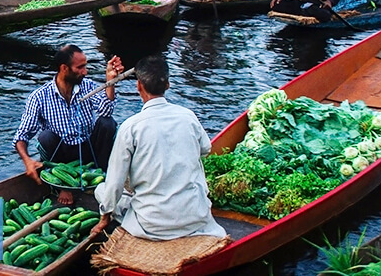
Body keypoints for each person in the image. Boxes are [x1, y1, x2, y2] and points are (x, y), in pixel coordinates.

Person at [91, 55, 226, 241]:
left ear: (139, 86)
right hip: (194, 217)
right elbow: (205, 148)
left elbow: (115, 182)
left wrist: (104, 218)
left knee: (102, 189)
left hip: (152, 224)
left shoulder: (131, 127)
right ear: (168, 85)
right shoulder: (188, 116)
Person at [14, 44, 124, 205]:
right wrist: (27, 161)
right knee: (46, 137)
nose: (85, 72)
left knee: (107, 123)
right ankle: (63, 185)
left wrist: (111, 81)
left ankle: (100, 175)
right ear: (64, 68)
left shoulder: (87, 86)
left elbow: (105, 111)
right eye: (80, 67)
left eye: (85, 67)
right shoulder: (39, 97)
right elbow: (22, 135)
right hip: (62, 154)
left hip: (88, 148)